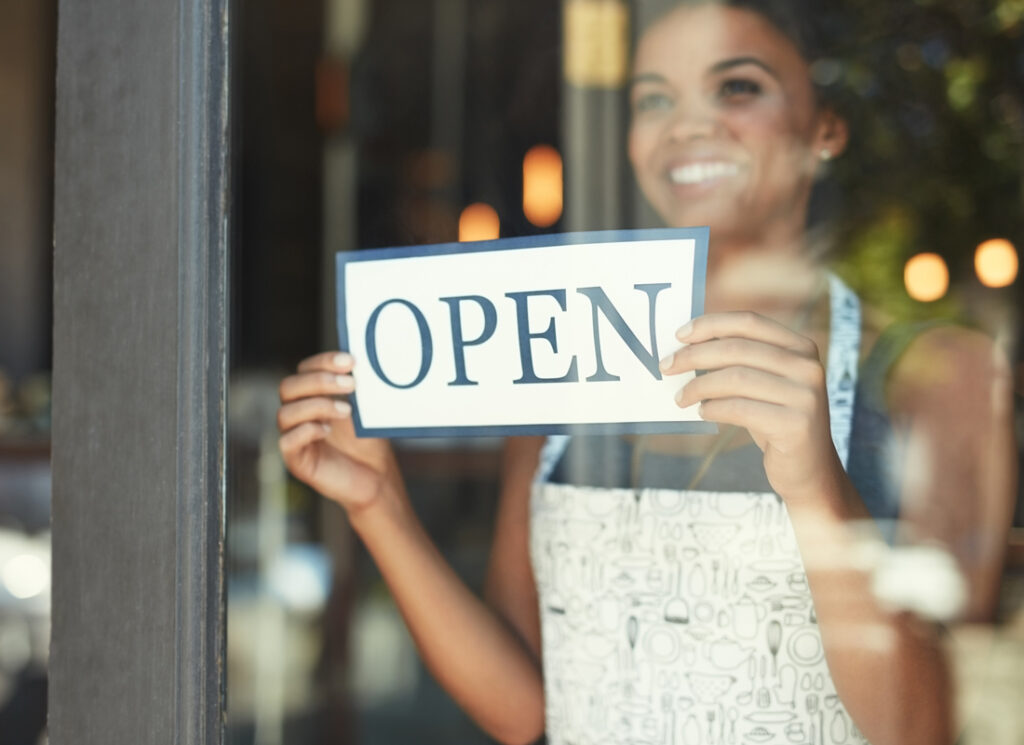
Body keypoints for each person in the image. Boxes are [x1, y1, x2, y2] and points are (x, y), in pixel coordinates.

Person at [277, 2, 1016, 743]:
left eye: (737, 87)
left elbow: (930, 728)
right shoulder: (561, 362)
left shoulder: (934, 378)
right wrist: (379, 504)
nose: (688, 123)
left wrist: (817, 489)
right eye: (654, 98)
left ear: (827, 126)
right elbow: (524, 708)